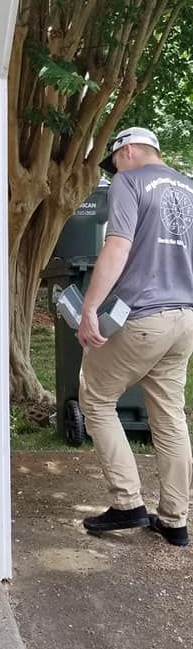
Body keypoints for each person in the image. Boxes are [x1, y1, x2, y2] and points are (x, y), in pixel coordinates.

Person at [78, 126, 193, 547]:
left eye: (114, 161)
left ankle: (128, 503)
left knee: (96, 398)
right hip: (184, 319)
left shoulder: (128, 182)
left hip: (145, 316)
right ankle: (175, 520)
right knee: (170, 417)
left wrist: (90, 307)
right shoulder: (188, 187)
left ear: (127, 150)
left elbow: (117, 246)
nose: (114, 170)